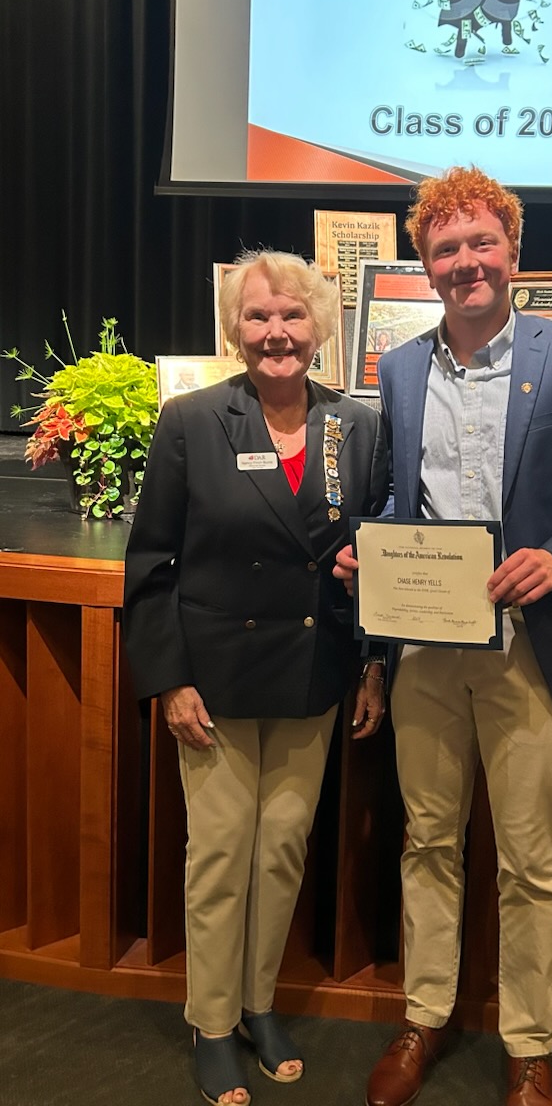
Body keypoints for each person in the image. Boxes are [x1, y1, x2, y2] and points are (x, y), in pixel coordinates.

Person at [334, 167, 552, 1106]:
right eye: (445, 248)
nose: (465, 262)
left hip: (531, 647)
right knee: (426, 841)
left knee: (530, 858)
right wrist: (370, 560)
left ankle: (529, 1043)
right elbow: (397, 499)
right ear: (424, 267)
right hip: (427, 649)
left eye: (481, 242)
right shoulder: (395, 369)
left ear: (513, 251)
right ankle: (424, 1019)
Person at [123, 250, 389, 1106]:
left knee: (280, 854)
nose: (276, 333)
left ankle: (257, 1004)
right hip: (216, 680)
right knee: (220, 856)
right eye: (258, 317)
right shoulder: (193, 420)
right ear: (235, 330)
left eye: (293, 316)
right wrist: (170, 680)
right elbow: (153, 563)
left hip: (315, 676)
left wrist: (373, 665)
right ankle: (209, 1022)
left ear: (320, 328)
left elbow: (375, 557)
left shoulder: (356, 426)